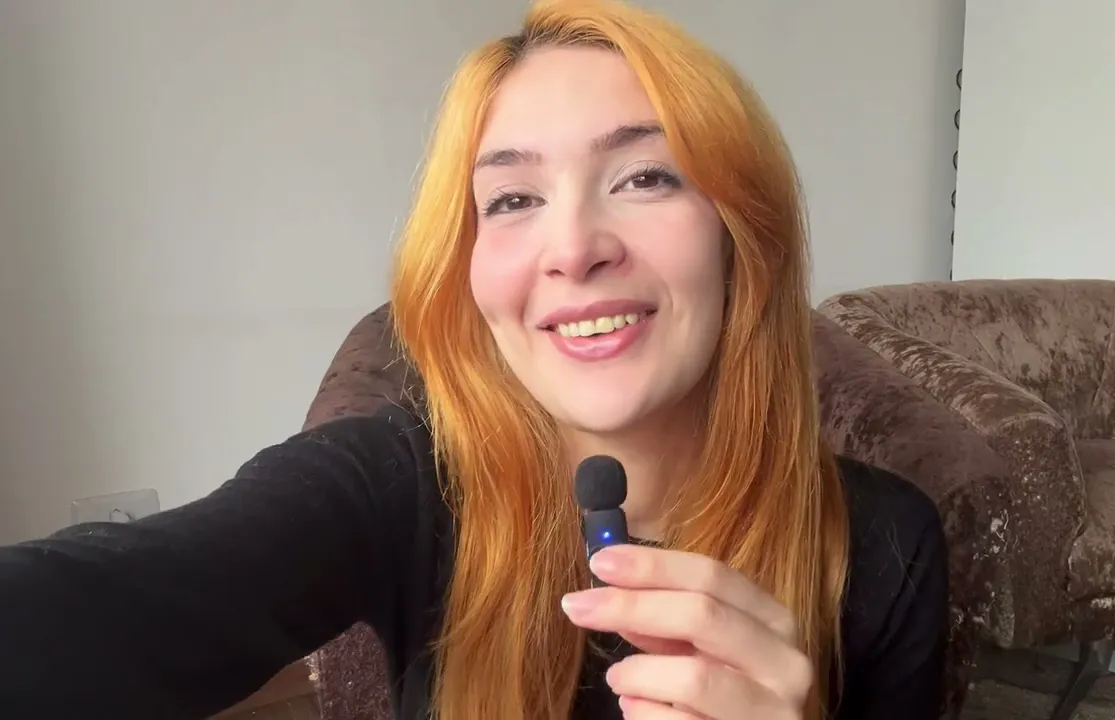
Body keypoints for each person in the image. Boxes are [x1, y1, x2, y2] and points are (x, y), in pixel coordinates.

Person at [0, 1, 947, 718]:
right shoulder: (397, 483)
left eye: (646, 176)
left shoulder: (886, 545)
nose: (572, 248)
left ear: (744, 237)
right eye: (513, 200)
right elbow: (106, 606)